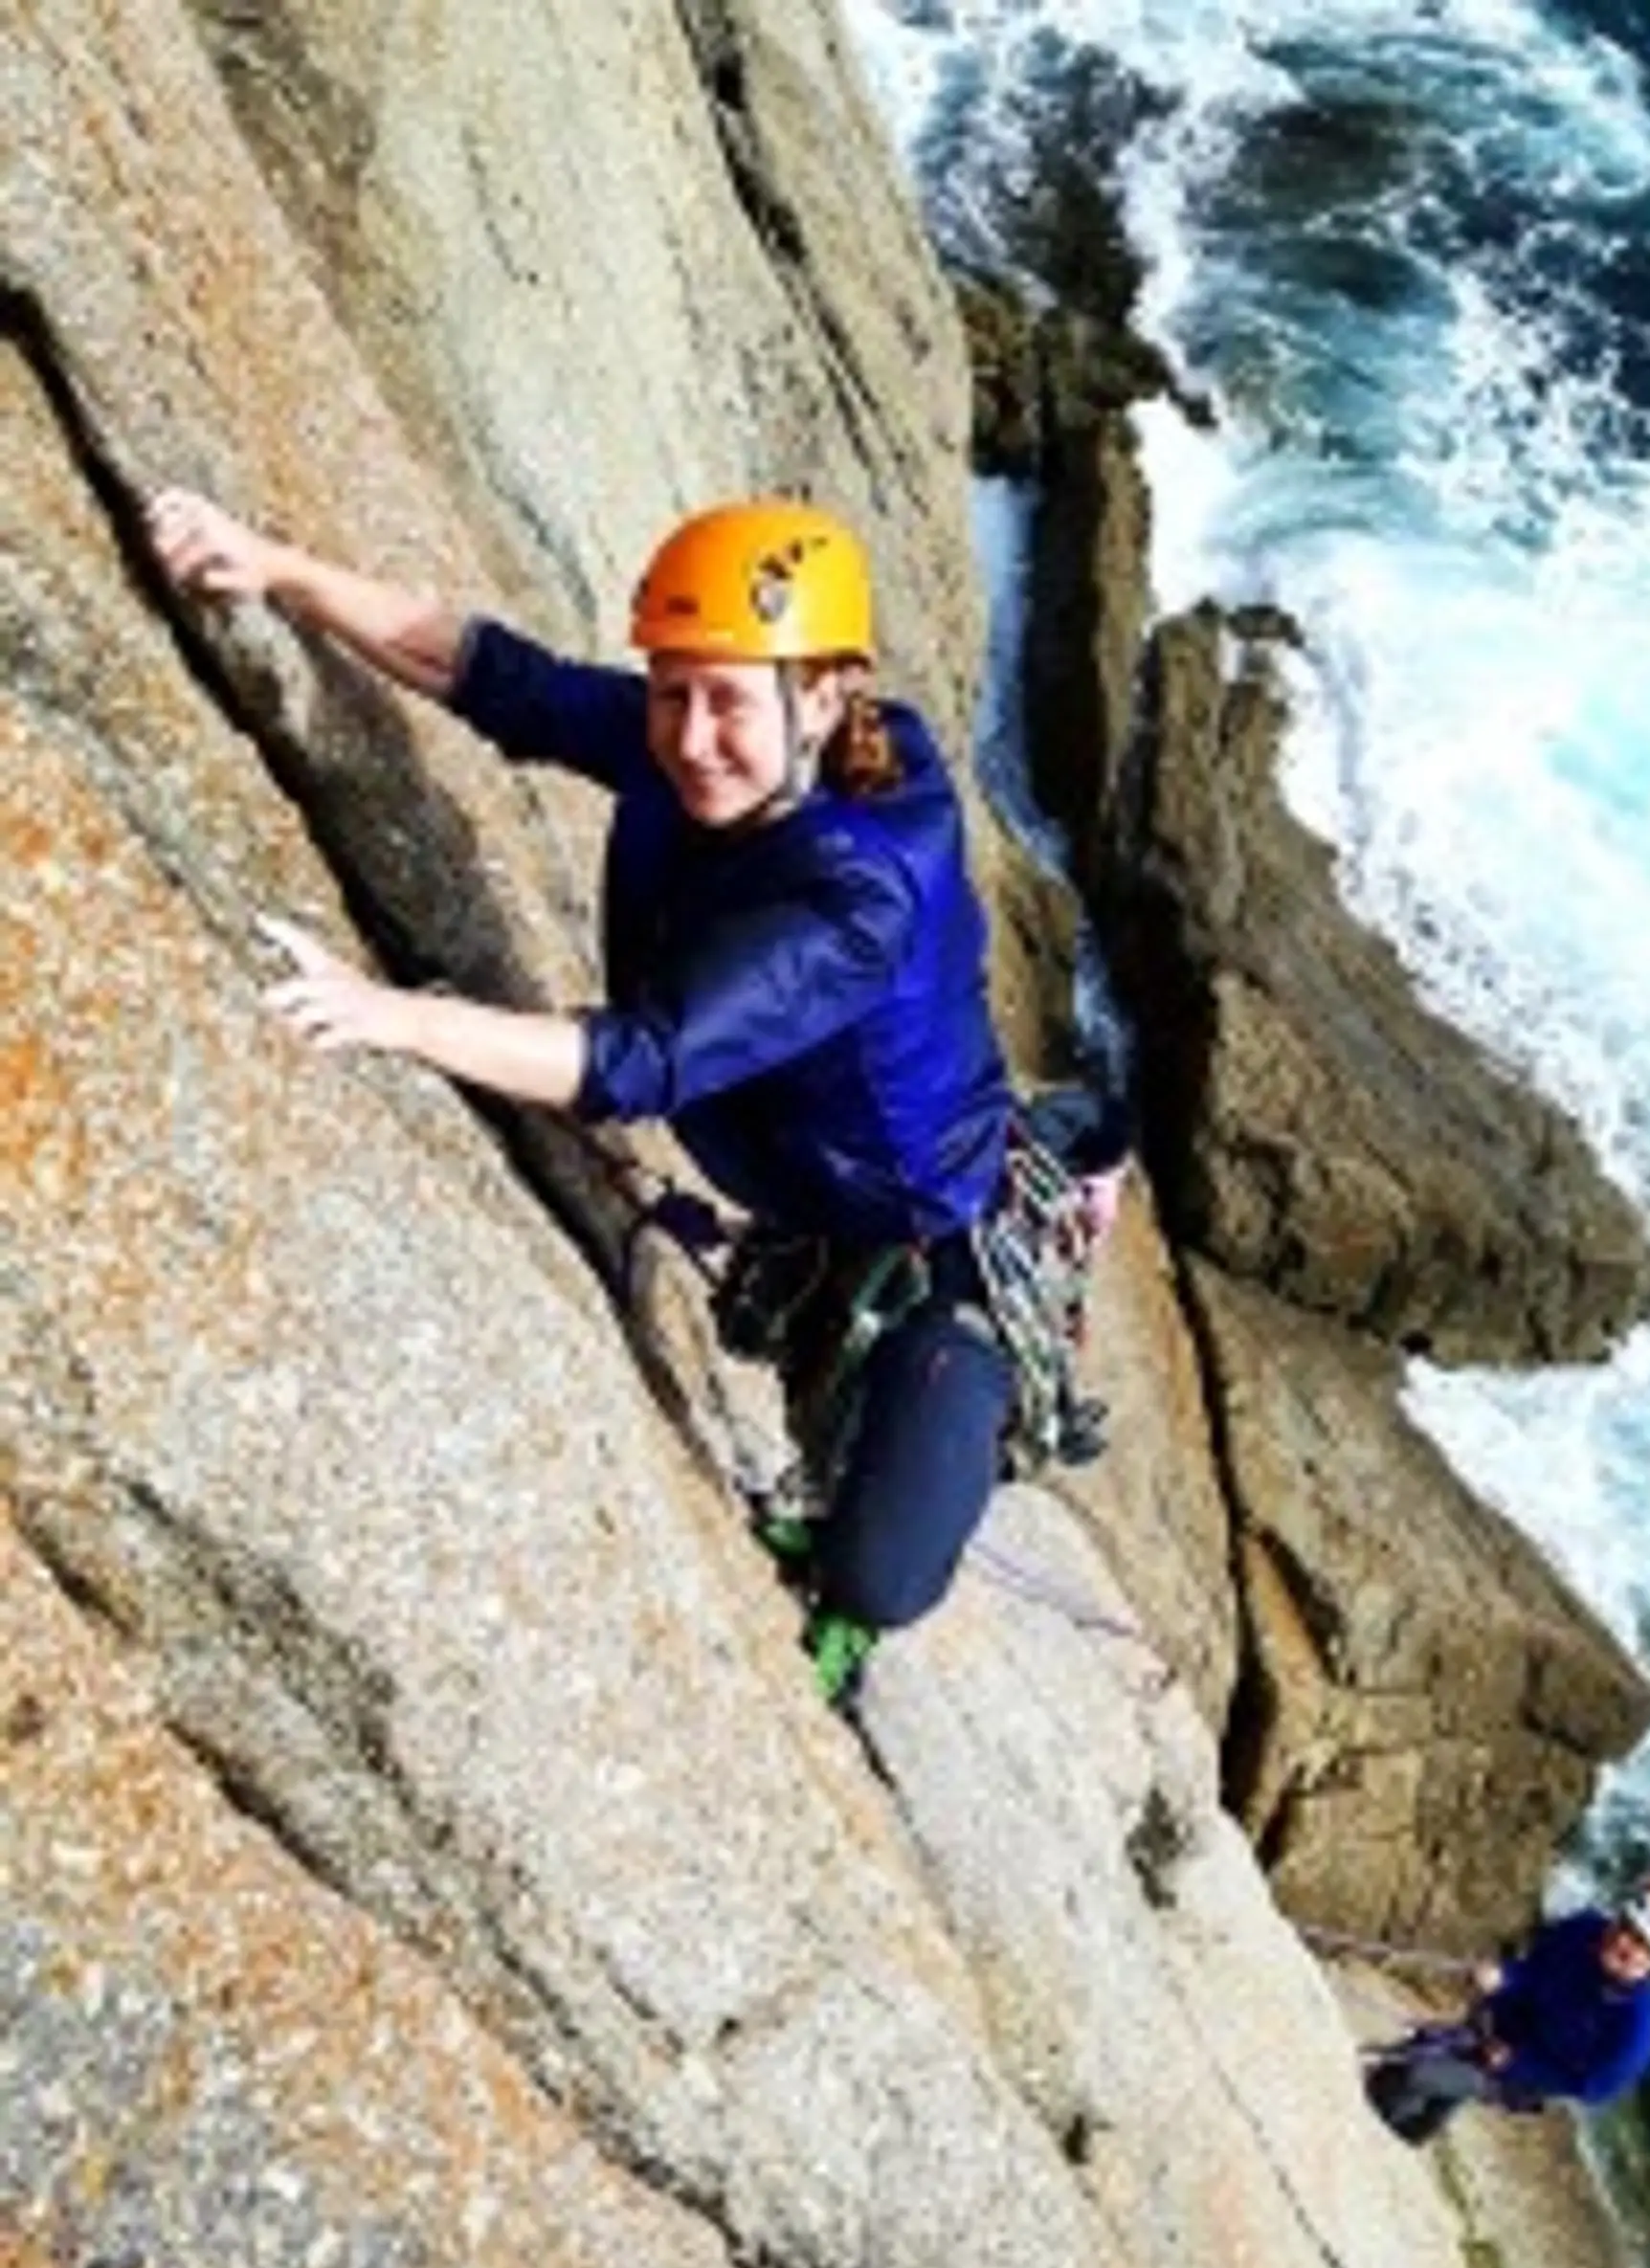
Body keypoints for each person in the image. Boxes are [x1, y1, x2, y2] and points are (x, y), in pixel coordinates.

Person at [147, 485, 1084, 1704]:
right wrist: (276, 566)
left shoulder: (858, 899)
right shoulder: (728, 755)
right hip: (813, 1187)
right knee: (831, 1433)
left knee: (882, 1571)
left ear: (825, 696)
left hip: (932, 1239)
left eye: (726, 701)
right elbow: (503, 681)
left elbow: (639, 1063)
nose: (689, 737)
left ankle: (858, 1574)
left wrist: (393, 1018)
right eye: (671, 690)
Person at [1362, 1879, 1650, 2147]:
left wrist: (1518, 2064)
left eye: (1642, 1944)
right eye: (1627, 1927)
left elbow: (1593, 2087)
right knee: (1427, 2064)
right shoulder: (1583, 1931)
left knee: (1408, 2076)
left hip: (1524, 2074)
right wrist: (1504, 1978)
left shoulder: (1638, 2027)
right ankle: (1422, 2124)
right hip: (1501, 2022)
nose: (1625, 1944)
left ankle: (1403, 2128)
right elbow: (1534, 1967)